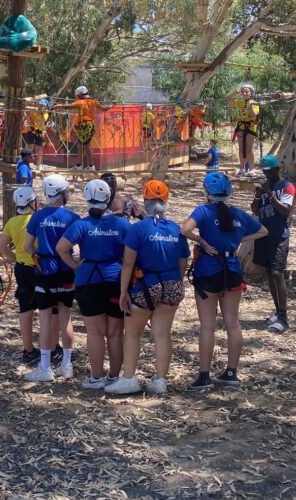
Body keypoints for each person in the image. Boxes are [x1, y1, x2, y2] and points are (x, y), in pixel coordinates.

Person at [181, 171, 268, 389]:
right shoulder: (239, 214)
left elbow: (185, 230)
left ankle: (204, 376)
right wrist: (239, 239)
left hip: (208, 271)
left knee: (207, 326)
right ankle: (231, 373)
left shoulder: (203, 211)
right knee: (233, 323)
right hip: (232, 270)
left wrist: (201, 240)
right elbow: (263, 231)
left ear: (207, 191)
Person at [105, 180, 190, 395]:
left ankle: (129, 378)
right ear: (166, 201)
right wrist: (174, 282)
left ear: (145, 200)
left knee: (132, 333)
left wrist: (123, 291)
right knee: (162, 334)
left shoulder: (139, 229)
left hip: (143, 286)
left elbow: (128, 263)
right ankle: (160, 380)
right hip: (171, 284)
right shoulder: (176, 229)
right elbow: (182, 262)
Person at [56, 179, 128, 389]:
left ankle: (96, 378)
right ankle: (114, 377)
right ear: (108, 198)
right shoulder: (122, 224)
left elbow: (61, 248)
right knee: (115, 332)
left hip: (89, 282)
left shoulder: (82, 224)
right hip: (115, 281)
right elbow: (132, 252)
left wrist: (75, 265)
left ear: (87, 199)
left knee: (95, 332)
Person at [24, 173, 79, 382]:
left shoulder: (38, 216)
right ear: (61, 194)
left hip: (45, 271)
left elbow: (28, 246)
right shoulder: (72, 217)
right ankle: (66, 365)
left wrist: (38, 253)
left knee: (45, 318)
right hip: (66, 270)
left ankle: (45, 366)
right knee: (66, 317)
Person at [0, 186, 40, 364]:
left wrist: (14, 258)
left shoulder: (12, 222)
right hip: (39, 267)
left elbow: (1, 246)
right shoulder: (38, 219)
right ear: (33, 202)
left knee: (25, 308)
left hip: (22, 268)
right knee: (47, 309)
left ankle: (28, 348)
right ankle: (52, 347)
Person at [252, 154, 294, 333]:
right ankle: (277, 311)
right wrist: (257, 195)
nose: (266, 174)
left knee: (277, 272)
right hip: (264, 233)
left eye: (269, 171)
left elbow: (285, 210)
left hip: (279, 235)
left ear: (277, 169)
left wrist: (269, 193)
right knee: (268, 271)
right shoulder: (265, 187)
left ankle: (284, 318)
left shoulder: (287, 187)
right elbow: (255, 210)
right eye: (264, 171)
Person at [69, 85, 106, 171]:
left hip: (85, 126)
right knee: (81, 145)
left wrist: (58, 106)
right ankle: (79, 165)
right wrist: (112, 105)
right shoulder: (93, 102)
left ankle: (90, 166)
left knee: (85, 145)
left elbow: (68, 106)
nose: (77, 98)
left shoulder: (81, 102)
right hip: (86, 126)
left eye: (77, 96)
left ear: (80, 95)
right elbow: (104, 109)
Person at [230, 83, 260, 176]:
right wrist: (235, 92)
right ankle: (242, 168)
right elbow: (228, 98)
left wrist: (251, 105)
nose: (245, 93)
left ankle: (251, 169)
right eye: (243, 92)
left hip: (250, 127)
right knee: (241, 149)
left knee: (248, 148)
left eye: (247, 92)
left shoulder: (255, 103)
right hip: (241, 127)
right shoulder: (240, 102)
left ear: (251, 93)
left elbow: (254, 115)